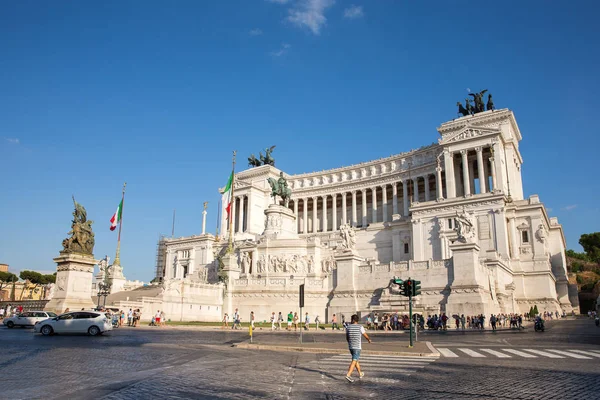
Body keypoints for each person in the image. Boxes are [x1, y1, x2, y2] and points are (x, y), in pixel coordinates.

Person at [344, 314, 372, 383]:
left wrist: (349, 342)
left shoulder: (348, 327)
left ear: (353, 320)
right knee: (354, 360)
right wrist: (369, 339)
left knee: (356, 360)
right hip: (357, 347)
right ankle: (348, 375)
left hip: (351, 347)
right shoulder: (360, 327)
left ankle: (360, 373)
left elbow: (347, 337)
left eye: (351, 319)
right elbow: (365, 335)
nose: (350, 321)